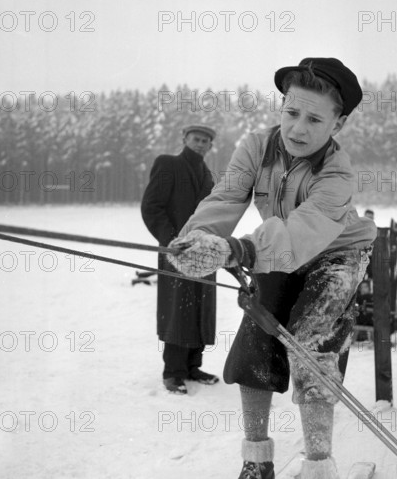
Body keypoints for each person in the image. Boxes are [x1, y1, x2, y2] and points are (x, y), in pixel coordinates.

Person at [168, 58, 377, 479]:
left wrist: (239, 249)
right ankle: (256, 462)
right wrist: (198, 239)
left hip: (336, 255)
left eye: (314, 119)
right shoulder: (257, 147)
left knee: (311, 344)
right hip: (274, 251)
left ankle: (319, 468)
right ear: (282, 106)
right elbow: (226, 197)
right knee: (256, 344)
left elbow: (301, 232)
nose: (298, 128)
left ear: (337, 124)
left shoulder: (338, 173)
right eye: (292, 112)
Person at [141, 124, 220, 395]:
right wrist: (171, 241)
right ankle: (173, 372)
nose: (201, 143)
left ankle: (192, 367)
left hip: (204, 253)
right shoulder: (168, 164)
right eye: (196, 139)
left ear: (210, 146)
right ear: (184, 139)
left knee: (201, 308)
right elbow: (152, 207)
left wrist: (214, 244)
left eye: (206, 141)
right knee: (178, 310)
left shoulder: (208, 175)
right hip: (175, 253)